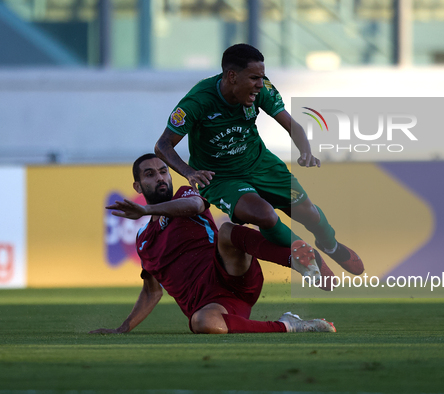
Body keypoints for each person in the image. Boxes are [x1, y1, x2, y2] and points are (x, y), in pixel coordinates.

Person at [154, 43, 364, 277]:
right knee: (264, 214)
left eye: (262, 77)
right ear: (232, 76)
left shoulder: (261, 89)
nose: (259, 84)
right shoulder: (198, 102)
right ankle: (309, 259)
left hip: (260, 163)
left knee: (309, 213)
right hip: (220, 177)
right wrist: (189, 172)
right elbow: (162, 145)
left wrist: (305, 150)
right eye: (254, 77)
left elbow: (291, 124)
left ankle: (330, 245)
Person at [89, 154, 335, 334]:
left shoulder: (185, 194)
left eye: (164, 171)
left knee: (227, 231)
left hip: (232, 273)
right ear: (137, 186)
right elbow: (152, 291)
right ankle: (290, 325)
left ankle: (300, 261)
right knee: (202, 324)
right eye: (150, 174)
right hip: (216, 305)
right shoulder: (143, 239)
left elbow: (196, 206)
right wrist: (122, 329)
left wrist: (146, 209)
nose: (160, 177)